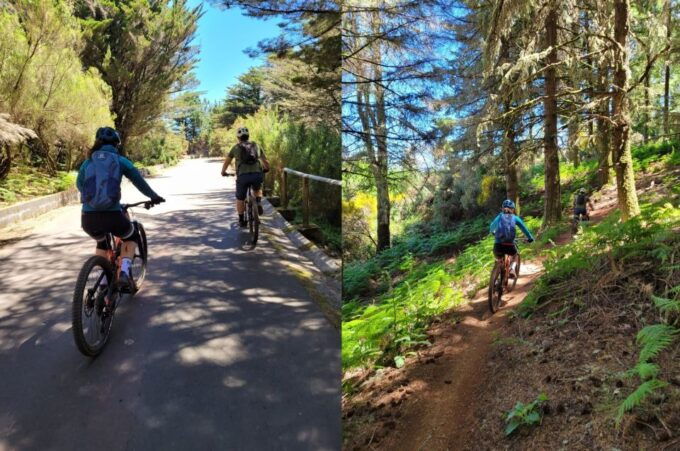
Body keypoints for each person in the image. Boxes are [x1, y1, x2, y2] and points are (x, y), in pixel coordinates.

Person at [77, 127, 164, 292]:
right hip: (113, 215)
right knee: (131, 236)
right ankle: (124, 272)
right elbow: (139, 181)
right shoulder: (120, 160)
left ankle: (103, 283)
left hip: (88, 218)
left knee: (101, 241)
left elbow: (79, 184)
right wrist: (153, 196)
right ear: (116, 144)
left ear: (97, 142)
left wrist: (92, 200)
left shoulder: (87, 162)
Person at [220, 127, 270, 227]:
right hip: (257, 174)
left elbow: (227, 161)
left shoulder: (235, 148)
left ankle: (242, 220)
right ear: (248, 136)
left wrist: (223, 172)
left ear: (238, 137)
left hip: (243, 176)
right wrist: (267, 168)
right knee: (257, 188)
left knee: (240, 198)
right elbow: (265, 161)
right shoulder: (256, 145)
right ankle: (258, 202)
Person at [489, 200, 534, 279]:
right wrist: (530, 238)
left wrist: (494, 233)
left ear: (502, 208)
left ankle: (494, 279)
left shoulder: (499, 216)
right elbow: (524, 229)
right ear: (513, 209)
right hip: (509, 245)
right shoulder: (515, 218)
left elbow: (492, 227)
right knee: (515, 255)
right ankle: (512, 269)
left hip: (498, 245)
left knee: (498, 259)